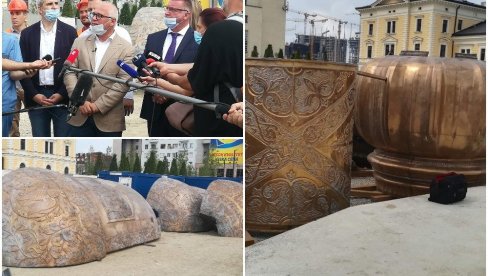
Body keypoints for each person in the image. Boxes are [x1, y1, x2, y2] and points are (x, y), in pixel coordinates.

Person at [64, 2, 132, 137]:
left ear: (112, 21)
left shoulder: (126, 48)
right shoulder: (80, 41)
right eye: (93, 14)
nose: (93, 18)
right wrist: (79, 100)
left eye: (99, 15)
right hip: (78, 115)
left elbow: (124, 81)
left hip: (109, 120)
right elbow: (69, 71)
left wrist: (97, 106)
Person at [139, 0, 199, 137]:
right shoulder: (154, 38)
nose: (167, 12)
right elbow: (142, 67)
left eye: (173, 9)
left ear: (186, 14)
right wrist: (156, 89)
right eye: (167, 8)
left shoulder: (198, 41)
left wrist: (166, 91)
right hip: (154, 108)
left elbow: (197, 76)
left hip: (182, 111)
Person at [19, 0, 78, 137]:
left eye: (56, 3)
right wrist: (34, 94)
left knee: (63, 139)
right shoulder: (27, 34)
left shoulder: (70, 33)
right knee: (40, 137)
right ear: (40, 9)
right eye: (49, 4)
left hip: (61, 95)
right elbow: (22, 66)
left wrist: (62, 93)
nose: (54, 7)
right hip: (36, 96)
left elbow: (74, 67)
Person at [81, 0, 135, 117]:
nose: (91, 16)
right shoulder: (82, 37)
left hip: (110, 109)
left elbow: (127, 72)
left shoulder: (122, 36)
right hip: (82, 107)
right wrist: (80, 99)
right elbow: (71, 70)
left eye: (97, 13)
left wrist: (128, 96)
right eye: (90, 12)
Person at [2, 32, 40, 137]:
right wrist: (30, 64)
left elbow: (14, 74)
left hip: (4, 103)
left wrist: (26, 72)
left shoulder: (11, 40)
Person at [6, 0, 29, 137]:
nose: (14, 16)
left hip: (28, 85)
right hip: (12, 86)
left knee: (36, 118)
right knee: (12, 124)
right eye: (12, 13)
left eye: (18, 13)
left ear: (25, 14)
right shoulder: (7, 35)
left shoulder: (34, 34)